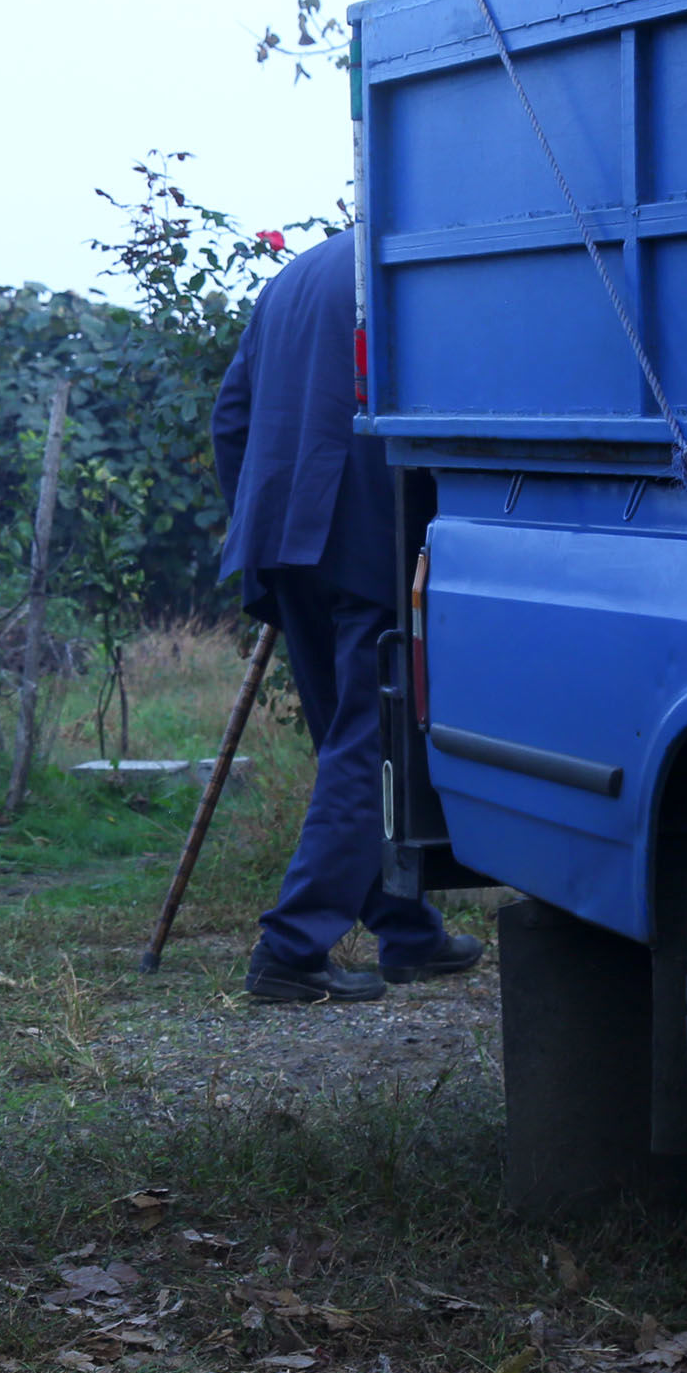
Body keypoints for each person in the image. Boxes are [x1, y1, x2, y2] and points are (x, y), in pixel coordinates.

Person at [211, 224, 480, 1004]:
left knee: (351, 742)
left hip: (286, 535)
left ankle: (407, 931)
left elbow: (232, 414)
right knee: (372, 745)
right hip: (367, 534)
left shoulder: (298, 273)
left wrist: (259, 517)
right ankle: (292, 948)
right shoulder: (415, 260)